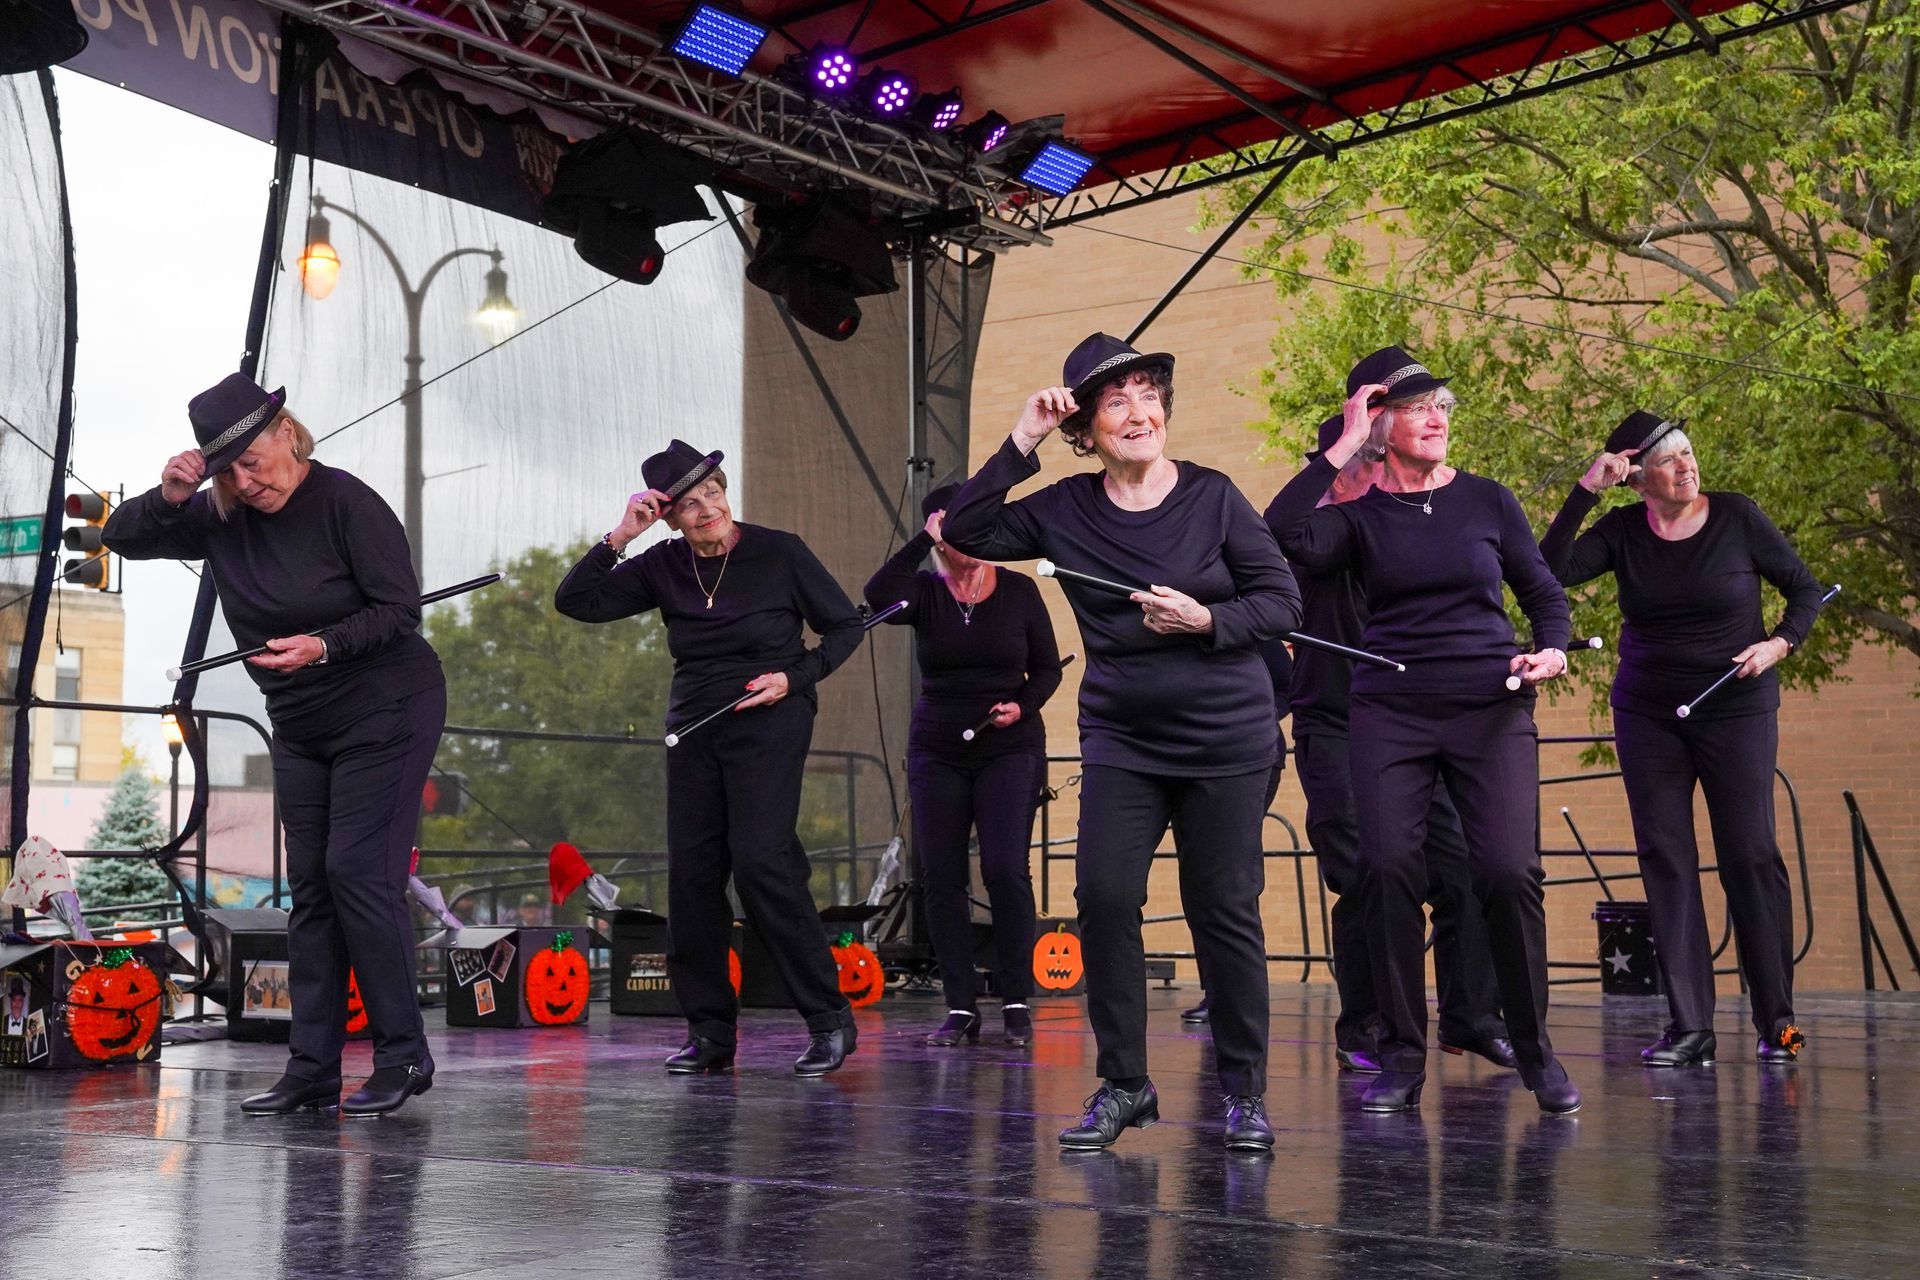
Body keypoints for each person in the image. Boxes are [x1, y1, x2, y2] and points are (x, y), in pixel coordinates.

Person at [945, 333, 1303, 1151]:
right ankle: (1126, 1085)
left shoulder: (1213, 497)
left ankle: (1243, 1093)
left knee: (1225, 910)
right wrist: (1022, 436)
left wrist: (1209, 620)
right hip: (1124, 740)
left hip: (1226, 736)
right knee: (1104, 900)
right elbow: (964, 525)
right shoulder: (1064, 507)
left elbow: (1282, 602)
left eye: (1149, 396)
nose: (1139, 413)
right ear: (1087, 429)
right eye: (1116, 401)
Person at [106, 373, 445, 1116]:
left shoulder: (347, 502)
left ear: (287, 432)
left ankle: (404, 1057)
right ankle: (311, 1068)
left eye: (253, 461)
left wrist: (323, 646)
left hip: (385, 704)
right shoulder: (222, 514)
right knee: (313, 892)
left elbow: (400, 611)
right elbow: (120, 539)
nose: (245, 481)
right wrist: (168, 496)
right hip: (300, 721)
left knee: (359, 871)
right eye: (226, 470)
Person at [1267, 346, 1578, 1115]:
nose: (1437, 416)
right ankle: (1401, 1056)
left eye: (1442, 404)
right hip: (1390, 712)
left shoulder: (1488, 500)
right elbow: (1280, 533)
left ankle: (1536, 1051)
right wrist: (1342, 442)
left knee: (1507, 873)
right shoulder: (1358, 518)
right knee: (1387, 870)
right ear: (1381, 424)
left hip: (1490, 705)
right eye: (1416, 406)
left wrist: (1553, 648)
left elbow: (1542, 590)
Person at [554, 439, 865, 1076]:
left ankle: (830, 1019)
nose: (707, 511)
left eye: (713, 494)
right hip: (694, 726)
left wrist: (793, 678)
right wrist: (622, 535)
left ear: (726, 491)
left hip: (772, 715)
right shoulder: (663, 563)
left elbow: (844, 626)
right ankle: (710, 1034)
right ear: (668, 516)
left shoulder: (781, 551)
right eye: (689, 505)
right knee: (693, 878)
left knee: (759, 863)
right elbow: (576, 601)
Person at [1540, 411, 1824, 1065]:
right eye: (1668, 460)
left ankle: (1777, 1020)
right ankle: (1690, 1025)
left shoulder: (1737, 517)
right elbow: (1546, 570)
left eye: (1689, 453)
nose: (1686, 466)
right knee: (1666, 859)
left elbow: (1804, 589)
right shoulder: (1620, 530)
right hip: (1649, 714)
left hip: (1736, 707)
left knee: (1749, 853)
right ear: (1636, 477)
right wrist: (1586, 488)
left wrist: (1779, 644)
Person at [1278, 413, 1515, 1075]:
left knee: (1465, 870)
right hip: (1335, 727)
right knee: (1367, 875)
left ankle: (1470, 1016)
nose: (1340, 477)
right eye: (1336, 464)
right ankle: (1368, 1025)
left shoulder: (1415, 526)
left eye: (1352, 462)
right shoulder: (1316, 539)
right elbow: (1279, 545)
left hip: (1412, 723)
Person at [864, 485, 1062, 1048]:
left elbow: (1047, 669)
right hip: (938, 748)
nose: (970, 541)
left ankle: (1017, 1000)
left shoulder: (1020, 590)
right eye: (957, 530)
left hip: (1009, 744)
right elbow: (876, 592)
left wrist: (1021, 705)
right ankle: (961, 1006)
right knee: (942, 877)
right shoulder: (923, 593)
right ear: (941, 534)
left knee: (1004, 868)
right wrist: (921, 540)